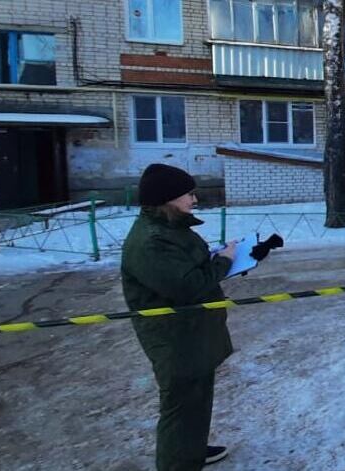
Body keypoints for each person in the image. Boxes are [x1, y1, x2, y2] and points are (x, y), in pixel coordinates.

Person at [121, 163, 236, 470]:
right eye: (189, 194)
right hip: (174, 338)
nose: (194, 200)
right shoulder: (151, 241)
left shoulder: (171, 227)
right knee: (180, 404)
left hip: (191, 332)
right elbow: (187, 285)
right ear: (168, 198)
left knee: (197, 398)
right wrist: (223, 263)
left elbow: (189, 268)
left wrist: (218, 258)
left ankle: (191, 451)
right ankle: (176, 463)